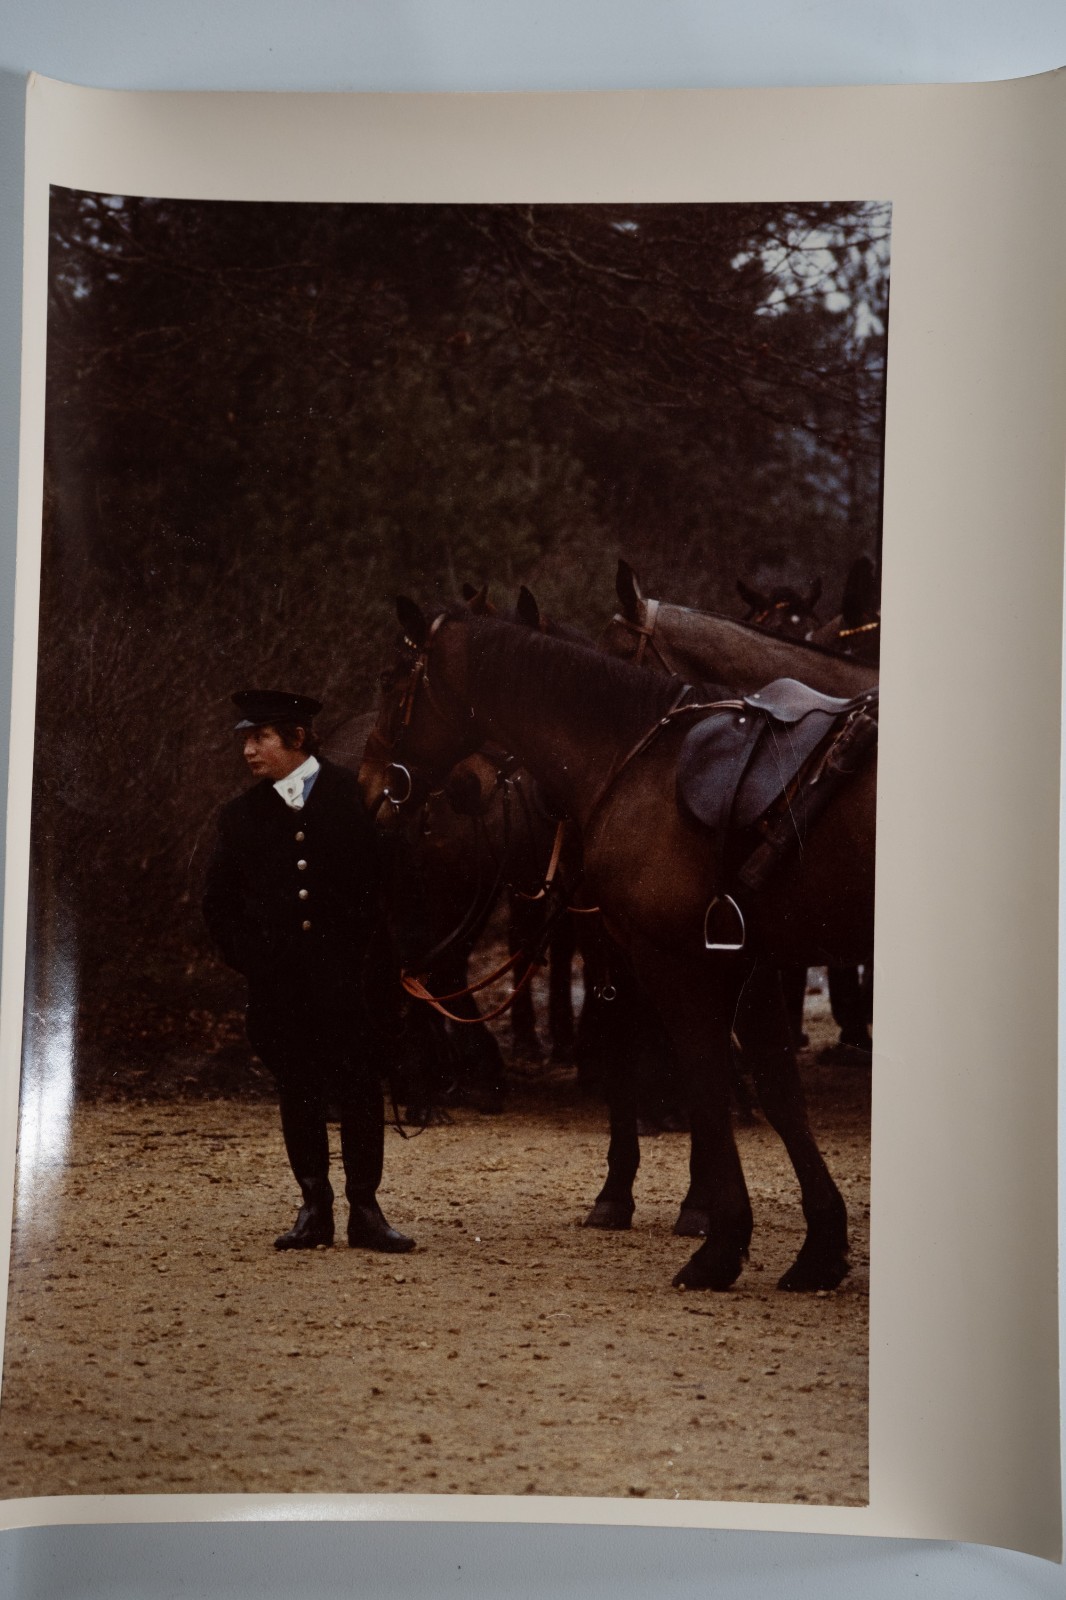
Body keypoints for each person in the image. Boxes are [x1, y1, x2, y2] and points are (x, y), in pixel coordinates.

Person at [202, 689, 414, 1254]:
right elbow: (218, 906)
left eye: (260, 738)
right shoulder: (240, 816)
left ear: (296, 738)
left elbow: (393, 889)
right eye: (246, 739)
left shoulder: (357, 796)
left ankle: (366, 1212)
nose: (248, 750)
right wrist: (258, 962)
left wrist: (380, 960)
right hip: (282, 990)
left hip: (353, 983)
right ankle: (314, 1209)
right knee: (297, 1089)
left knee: (360, 1088)